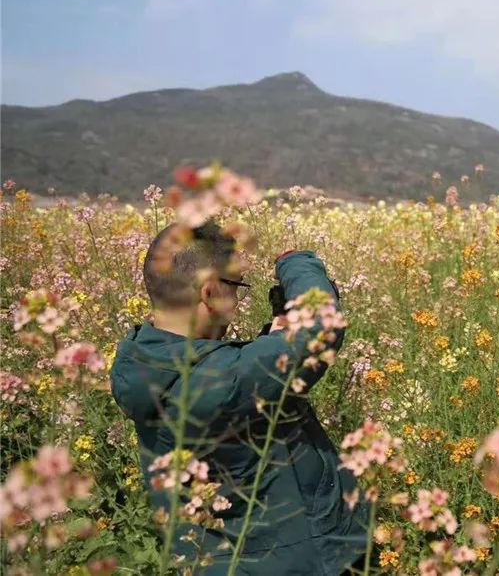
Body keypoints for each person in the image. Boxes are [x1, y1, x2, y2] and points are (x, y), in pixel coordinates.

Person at [109, 221, 368, 575]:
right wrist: (296, 261)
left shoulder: (139, 362)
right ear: (210, 292)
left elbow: (234, 395)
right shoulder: (225, 379)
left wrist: (270, 342)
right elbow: (322, 325)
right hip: (290, 562)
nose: (236, 301)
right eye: (236, 288)